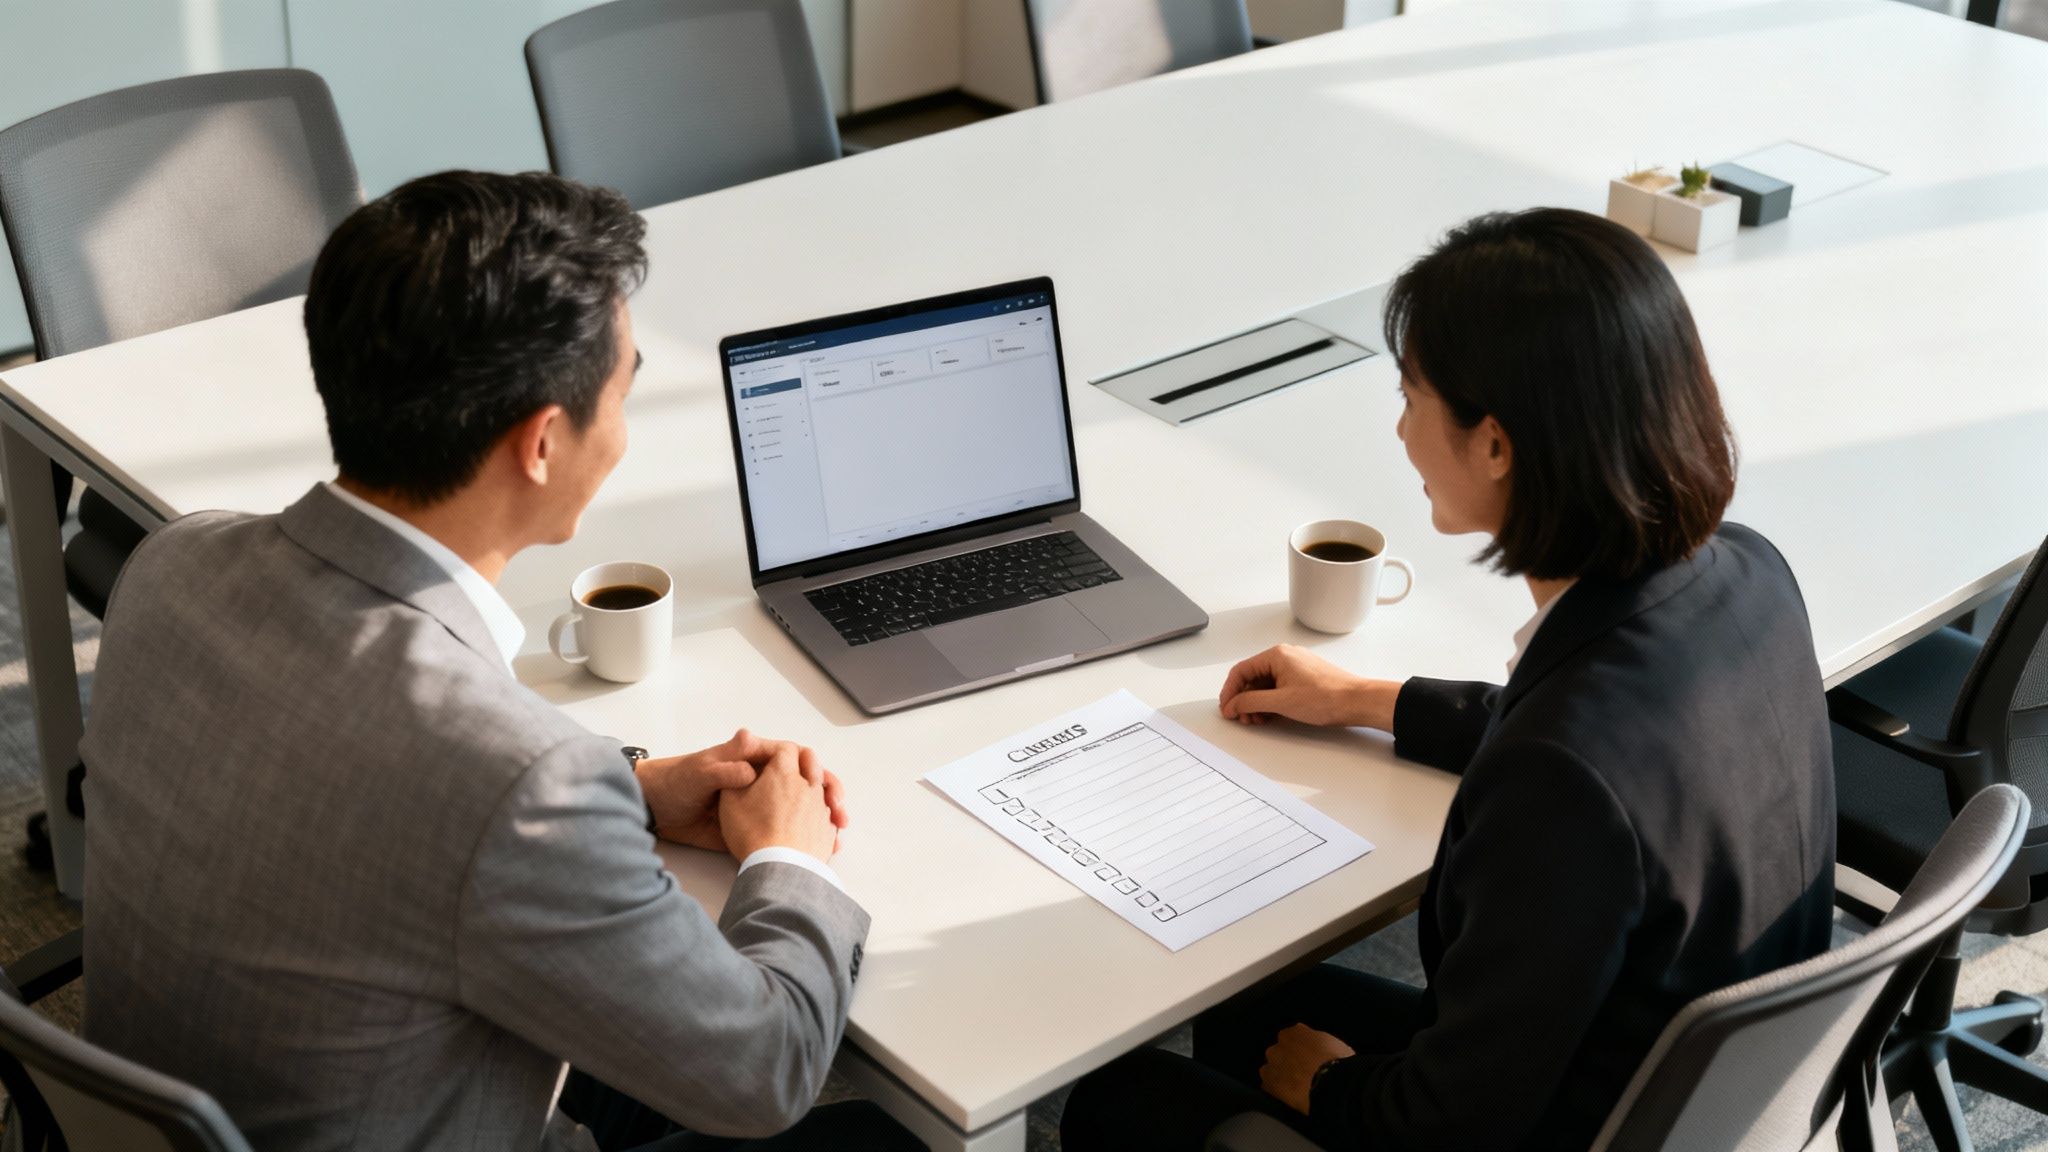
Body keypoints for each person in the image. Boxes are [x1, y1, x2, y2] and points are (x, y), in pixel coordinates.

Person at [79, 171, 914, 1151]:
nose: (625, 426)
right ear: (542, 444)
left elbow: (372, 784)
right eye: (624, 386)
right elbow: (762, 1073)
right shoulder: (518, 782)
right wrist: (788, 855)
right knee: (879, 1135)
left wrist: (631, 787)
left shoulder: (175, 560)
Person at [1061, 208, 1836, 1151]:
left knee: (1119, 1095)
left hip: (1534, 1126)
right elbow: (1616, 748)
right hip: (1679, 1097)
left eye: (1412, 395)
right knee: (1251, 1009)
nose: (1398, 428)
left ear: (1496, 445)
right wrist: (1369, 702)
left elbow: (1450, 1125)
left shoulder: (1564, 781)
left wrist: (1335, 1086)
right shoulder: (1751, 573)